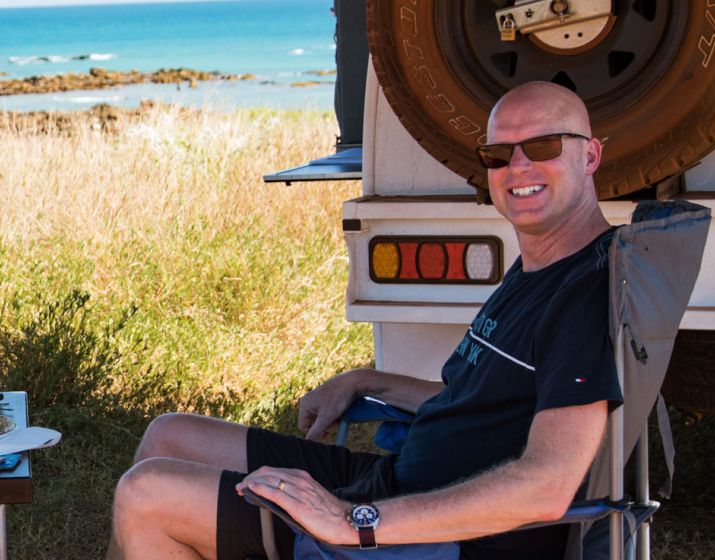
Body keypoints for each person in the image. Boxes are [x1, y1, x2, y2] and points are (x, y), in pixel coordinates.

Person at [110, 81, 621, 559]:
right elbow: (478, 403)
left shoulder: (584, 295)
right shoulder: (543, 268)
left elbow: (548, 485)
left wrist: (357, 520)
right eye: (499, 154)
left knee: (147, 495)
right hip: (399, 484)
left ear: (590, 154)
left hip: (436, 535)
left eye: (545, 146)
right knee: (168, 435)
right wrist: (366, 380)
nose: (519, 167)